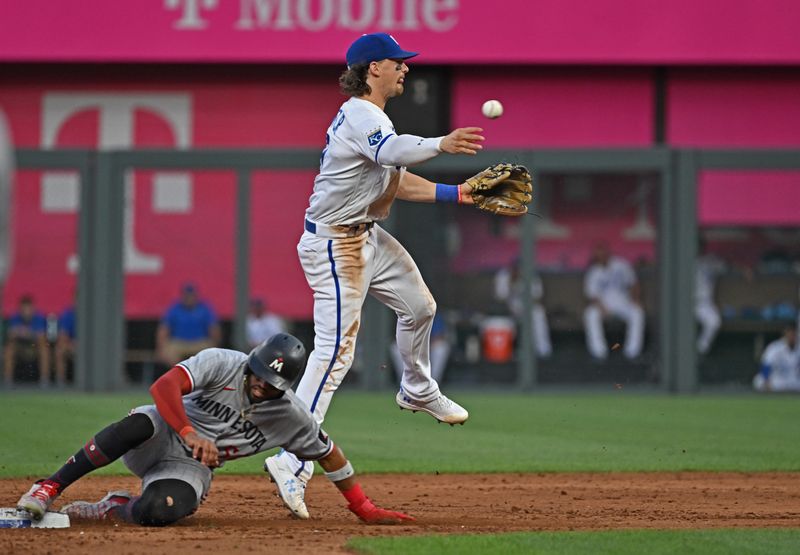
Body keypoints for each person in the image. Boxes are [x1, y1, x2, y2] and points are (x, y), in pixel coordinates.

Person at [264, 32, 488, 519]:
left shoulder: (374, 119)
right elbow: (393, 154)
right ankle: (290, 459)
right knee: (335, 353)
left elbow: (395, 178)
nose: (405, 68)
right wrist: (441, 144)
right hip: (335, 244)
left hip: (364, 236)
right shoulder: (363, 115)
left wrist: (459, 195)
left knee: (421, 307)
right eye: (396, 62)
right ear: (372, 70)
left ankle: (417, 389)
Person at [17, 333, 412, 526]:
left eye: (271, 384)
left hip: (189, 469)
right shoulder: (225, 362)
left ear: (286, 388)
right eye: (257, 374)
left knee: (159, 512)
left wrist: (363, 507)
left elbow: (329, 454)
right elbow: (164, 386)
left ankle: (117, 507)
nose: (259, 384)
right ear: (253, 362)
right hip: (165, 431)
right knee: (136, 422)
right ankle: (49, 486)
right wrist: (189, 432)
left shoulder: (291, 416)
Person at [583, 244, 645, 360]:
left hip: (623, 302)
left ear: (608, 254)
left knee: (637, 312)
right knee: (590, 314)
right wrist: (602, 308)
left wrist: (636, 299)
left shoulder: (621, 265)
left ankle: (632, 351)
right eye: (598, 255)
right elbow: (592, 296)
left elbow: (634, 283)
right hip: (604, 304)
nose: (601, 257)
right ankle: (599, 352)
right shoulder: (593, 272)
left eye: (603, 254)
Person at [494, 259, 552, 359]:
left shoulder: (532, 275)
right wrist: (511, 284)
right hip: (508, 308)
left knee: (538, 313)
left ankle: (543, 350)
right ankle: (510, 351)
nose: (519, 272)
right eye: (516, 269)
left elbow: (537, 298)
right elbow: (500, 299)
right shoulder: (503, 275)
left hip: (527, 307)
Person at [156, 283, 221, 368]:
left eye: (191, 296)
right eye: (187, 296)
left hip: (199, 342)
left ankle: (201, 378)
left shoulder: (204, 308)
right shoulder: (175, 308)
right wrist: (160, 348)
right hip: (179, 343)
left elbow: (214, 329)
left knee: (210, 355)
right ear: (182, 296)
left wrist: (215, 344)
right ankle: (180, 376)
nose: (189, 298)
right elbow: (164, 330)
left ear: (196, 296)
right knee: (168, 353)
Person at [3, 294, 50, 388]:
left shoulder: (39, 317)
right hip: (20, 348)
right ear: (20, 309)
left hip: (34, 347)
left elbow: (42, 337)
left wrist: (26, 333)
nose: (26, 312)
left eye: (29, 308)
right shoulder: (14, 317)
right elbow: (10, 336)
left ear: (33, 308)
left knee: (44, 348)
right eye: (24, 309)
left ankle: (44, 379)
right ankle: (7, 379)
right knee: (9, 349)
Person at [390, 313, 451, 383]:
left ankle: (432, 383)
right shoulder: (406, 316)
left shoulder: (433, 315)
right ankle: (407, 382)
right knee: (396, 348)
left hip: (429, 347)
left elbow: (438, 337)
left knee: (441, 348)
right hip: (411, 348)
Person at [695, 248, 726, 355]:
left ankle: (699, 351)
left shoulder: (709, 261)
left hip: (704, 303)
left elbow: (727, 265)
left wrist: (744, 270)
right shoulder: (681, 260)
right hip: (683, 303)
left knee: (714, 321)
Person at [752, 326, 800, 392]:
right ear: (785, 334)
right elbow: (766, 365)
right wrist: (766, 380)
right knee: (758, 380)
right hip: (777, 379)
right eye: (790, 334)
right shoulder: (775, 347)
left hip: (794, 380)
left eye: (794, 335)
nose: (792, 337)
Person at [54, 302, 76, 387]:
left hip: (91, 347)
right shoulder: (68, 314)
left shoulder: (93, 313)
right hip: (71, 345)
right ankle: (60, 381)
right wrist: (71, 344)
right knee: (60, 350)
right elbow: (63, 335)